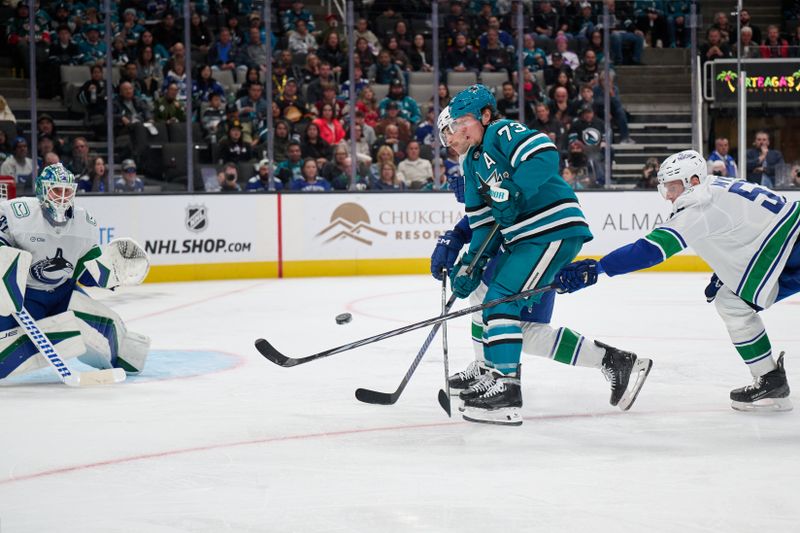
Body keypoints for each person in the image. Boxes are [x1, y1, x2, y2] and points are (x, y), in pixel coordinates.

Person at [435, 86, 652, 425]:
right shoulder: (473, 163)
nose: (451, 134)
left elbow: (545, 154)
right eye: (450, 128)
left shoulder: (500, 131)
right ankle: (494, 372)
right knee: (492, 303)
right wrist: (469, 264)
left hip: (548, 231)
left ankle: (505, 387)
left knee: (500, 305)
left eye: (459, 122)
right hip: (524, 242)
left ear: (485, 116)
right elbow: (484, 225)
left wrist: (512, 191)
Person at [557, 150, 797, 412]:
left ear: (692, 181)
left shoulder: (698, 206)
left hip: (789, 248)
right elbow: (744, 228)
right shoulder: (715, 185)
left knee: (732, 302)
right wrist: (730, 271)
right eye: (665, 188)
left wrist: (597, 267)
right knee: (731, 301)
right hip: (786, 244)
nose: (669, 195)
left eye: (672, 187)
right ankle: (770, 380)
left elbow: (649, 251)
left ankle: (770, 380)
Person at [0, 163, 151, 382]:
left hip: (62, 295)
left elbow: (84, 269)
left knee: (122, 347)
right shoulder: (18, 214)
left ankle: (72, 336)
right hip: (21, 299)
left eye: (67, 191)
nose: (62, 197)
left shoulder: (84, 223)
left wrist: (111, 271)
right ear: (42, 190)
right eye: (56, 190)